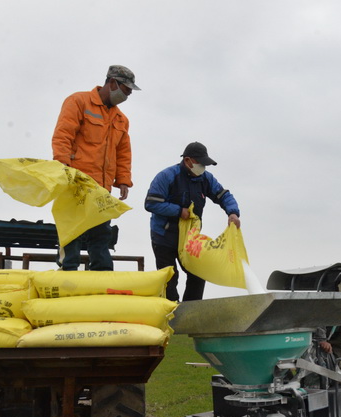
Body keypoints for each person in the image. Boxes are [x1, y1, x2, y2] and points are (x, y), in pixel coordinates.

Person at [51, 64, 141, 271]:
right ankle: (67, 271)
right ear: (112, 83)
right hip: (76, 182)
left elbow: (123, 153)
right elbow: (63, 134)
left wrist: (123, 180)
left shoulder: (121, 119)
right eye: (125, 90)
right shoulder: (78, 101)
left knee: (101, 233)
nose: (127, 96)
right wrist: (63, 166)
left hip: (102, 188)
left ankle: (102, 274)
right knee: (71, 230)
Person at [144, 142, 241, 301]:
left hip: (190, 239)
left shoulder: (206, 179)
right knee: (169, 279)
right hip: (164, 236)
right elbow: (151, 203)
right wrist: (178, 211)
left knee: (198, 273)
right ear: (188, 160)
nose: (203, 167)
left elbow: (224, 195)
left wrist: (233, 213)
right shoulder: (167, 176)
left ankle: (190, 312)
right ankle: (171, 315)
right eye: (201, 163)